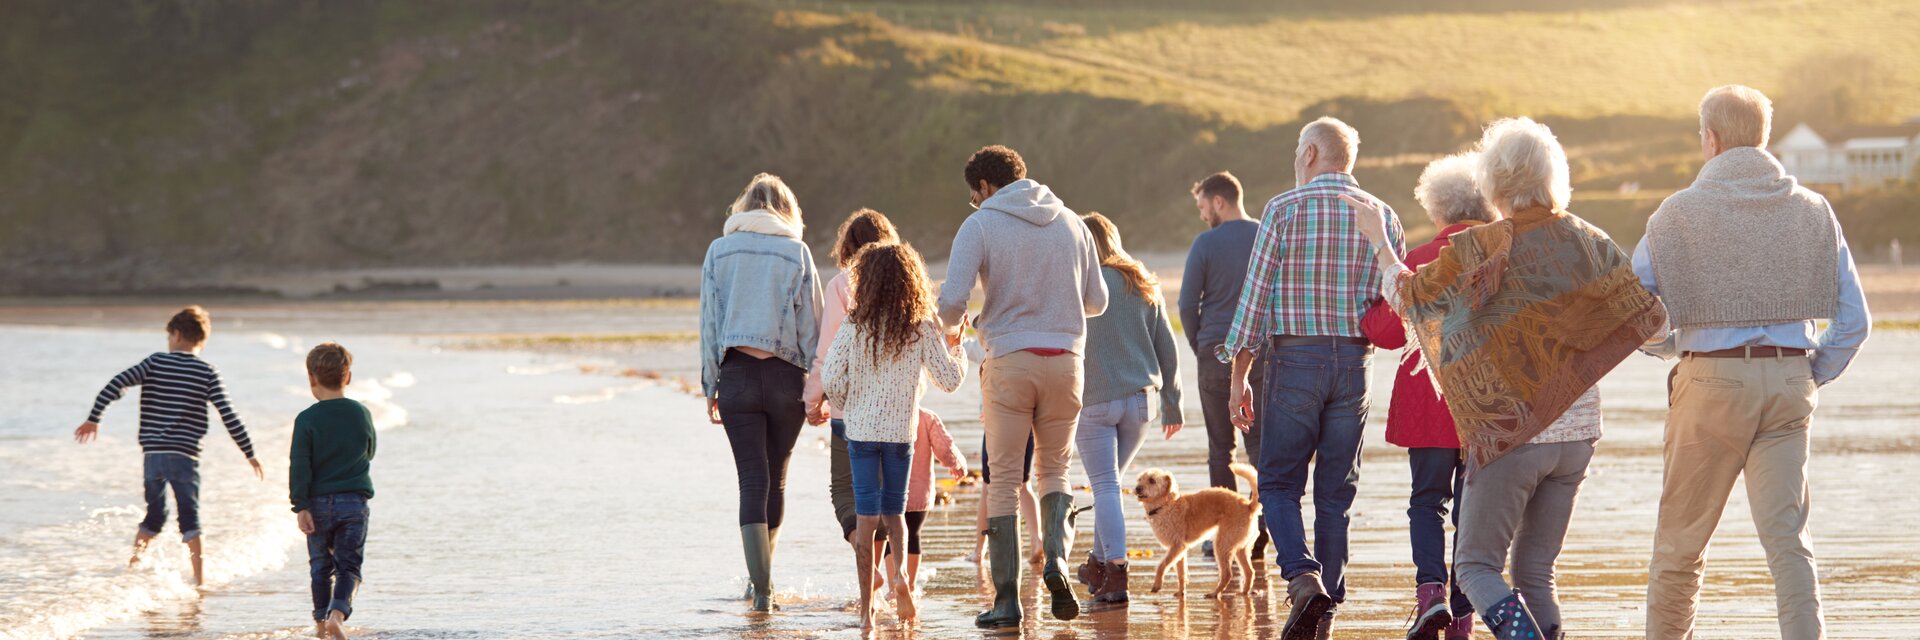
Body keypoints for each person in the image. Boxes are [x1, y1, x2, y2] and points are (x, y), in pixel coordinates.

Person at [1347, 117, 1666, 639]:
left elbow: (1408, 296)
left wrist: (1380, 240)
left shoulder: (1482, 247)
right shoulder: (1590, 240)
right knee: (1536, 573)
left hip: (1511, 436)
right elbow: (1651, 323)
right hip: (1579, 436)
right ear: (1553, 175)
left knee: (1474, 569)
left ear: (1493, 181)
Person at [1638, 85, 1870, 640]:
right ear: (1762, 137)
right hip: (1790, 382)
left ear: (1711, 140)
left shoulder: (1675, 214)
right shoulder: (1814, 209)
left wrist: (1674, 348)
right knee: (1789, 544)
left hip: (1710, 382)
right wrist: (1807, 371)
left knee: (1680, 545)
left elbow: (1634, 315)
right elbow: (1855, 321)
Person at [1217, 117, 1405, 639]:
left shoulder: (1283, 208)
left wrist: (1240, 377)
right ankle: (1325, 612)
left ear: (1311, 154)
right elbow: (1397, 304)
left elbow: (1253, 303)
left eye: (1299, 150)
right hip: (1354, 365)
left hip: (1295, 360)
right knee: (1334, 495)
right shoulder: (1382, 215)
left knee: (1278, 481)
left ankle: (1302, 579)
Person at [937, 145, 1107, 627]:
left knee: (1005, 482)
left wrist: (952, 324)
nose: (975, 203)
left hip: (1010, 361)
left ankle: (1007, 601)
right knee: (1054, 472)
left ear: (985, 188)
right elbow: (1097, 300)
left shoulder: (981, 224)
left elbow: (952, 302)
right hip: (1068, 362)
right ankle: (1054, 560)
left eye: (975, 196)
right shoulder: (1072, 222)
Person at [1358, 153, 1493, 640]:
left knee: (1426, 503)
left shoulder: (1418, 259)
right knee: (1471, 511)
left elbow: (1387, 332)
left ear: (1438, 209)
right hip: (1488, 404)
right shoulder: (1503, 252)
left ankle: (1429, 595)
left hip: (1431, 405)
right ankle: (1462, 615)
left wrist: (1365, 311)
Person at [822, 242, 968, 629]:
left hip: (861, 435)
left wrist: (849, 403)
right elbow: (949, 380)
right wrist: (957, 347)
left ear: (865, 281)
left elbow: (830, 377)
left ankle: (868, 613)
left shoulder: (855, 325)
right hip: (901, 435)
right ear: (911, 282)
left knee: (867, 519)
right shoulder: (919, 326)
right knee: (896, 513)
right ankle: (901, 576)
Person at [698, 173, 825, 612]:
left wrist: (709, 383)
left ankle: (762, 591)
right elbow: (812, 325)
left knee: (751, 480)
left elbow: (709, 324)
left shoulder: (720, 250)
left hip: (736, 376)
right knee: (778, 477)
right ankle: (764, 581)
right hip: (786, 377)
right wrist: (817, 386)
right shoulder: (797, 251)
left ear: (743, 207)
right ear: (786, 209)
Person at [72, 305, 265, 587]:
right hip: (185, 456)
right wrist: (250, 453)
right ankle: (199, 580)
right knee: (189, 516)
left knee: (155, 514)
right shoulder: (207, 372)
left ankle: (133, 567)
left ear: (175, 334)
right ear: (202, 339)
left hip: (153, 456)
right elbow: (228, 414)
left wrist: (94, 418)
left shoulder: (154, 363)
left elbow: (116, 383)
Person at [1073, 212, 1184, 605]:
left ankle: (1115, 573)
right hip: (1141, 403)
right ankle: (1096, 563)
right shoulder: (1141, 281)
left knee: (1105, 486)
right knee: (1110, 486)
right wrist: (1173, 403)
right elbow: (1167, 348)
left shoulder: (1077, 284)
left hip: (1095, 401)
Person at [804, 208, 899, 607]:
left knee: (847, 493)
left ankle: (872, 577)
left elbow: (827, 353)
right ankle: (891, 586)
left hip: (850, 409)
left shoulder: (842, 284)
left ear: (848, 247)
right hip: (897, 410)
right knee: (887, 498)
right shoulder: (905, 284)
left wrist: (813, 400)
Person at [1178, 171, 1269, 562]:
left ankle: (1226, 536)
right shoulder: (1266, 234)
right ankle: (1266, 528)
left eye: (1203, 207)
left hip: (1216, 352)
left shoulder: (1206, 244)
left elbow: (1185, 305)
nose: (1202, 216)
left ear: (1219, 201)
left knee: (1221, 448)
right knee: (1261, 446)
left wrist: (1200, 344)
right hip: (1264, 353)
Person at [290, 342, 377, 640]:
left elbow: (299, 465)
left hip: (316, 505)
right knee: (348, 566)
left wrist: (300, 505)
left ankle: (319, 624)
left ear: (312, 378)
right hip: (353, 503)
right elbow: (370, 450)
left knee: (319, 567)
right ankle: (337, 616)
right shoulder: (360, 413)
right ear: (348, 377)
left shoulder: (306, 419)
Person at [880, 409, 967, 599]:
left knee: (891, 536)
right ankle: (909, 587)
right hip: (919, 494)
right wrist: (957, 463)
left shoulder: (885, 413)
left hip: (889, 490)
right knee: (913, 536)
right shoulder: (926, 417)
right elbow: (945, 447)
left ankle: (895, 586)